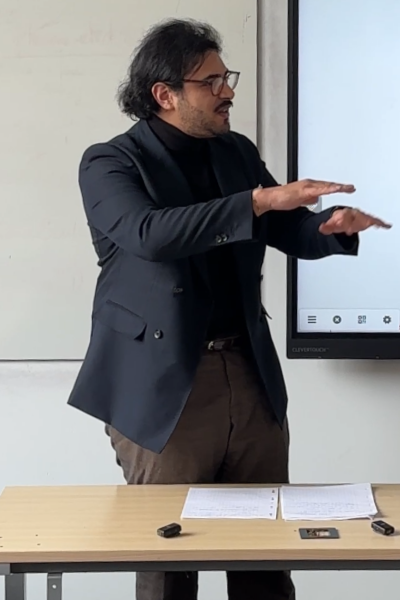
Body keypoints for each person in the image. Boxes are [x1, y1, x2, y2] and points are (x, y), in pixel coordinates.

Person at [67, 18, 390, 600]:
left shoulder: (235, 152)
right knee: (169, 561)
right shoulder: (110, 163)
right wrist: (260, 200)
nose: (228, 92)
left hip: (247, 370)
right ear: (165, 94)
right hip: (165, 387)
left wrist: (332, 228)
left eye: (227, 77)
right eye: (211, 82)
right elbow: (150, 235)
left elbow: (287, 227)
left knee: (265, 555)